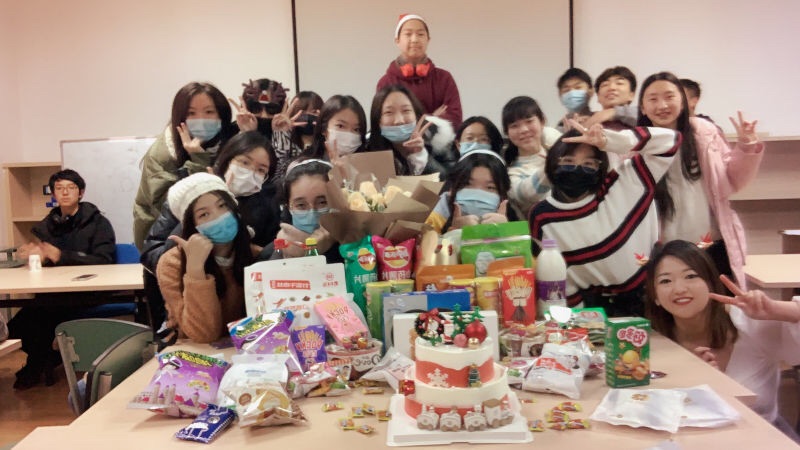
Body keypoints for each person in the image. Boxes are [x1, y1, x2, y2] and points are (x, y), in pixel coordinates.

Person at [645, 240, 800, 439]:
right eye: (666, 281)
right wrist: (693, 384)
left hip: (763, 435)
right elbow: (648, 409)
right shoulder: (653, 345)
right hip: (694, 439)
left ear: (711, 283)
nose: (679, 289)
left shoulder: (750, 322)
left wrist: (778, 309)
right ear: (655, 296)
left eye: (691, 276)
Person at [528, 122, 681, 316]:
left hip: (651, 300)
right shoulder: (541, 216)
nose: (577, 169)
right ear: (552, 164)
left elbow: (670, 142)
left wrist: (612, 141)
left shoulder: (624, 182)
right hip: (594, 310)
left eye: (589, 164)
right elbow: (561, 280)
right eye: (568, 161)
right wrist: (578, 323)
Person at [140, 131, 280, 329]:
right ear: (227, 159)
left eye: (261, 170)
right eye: (244, 162)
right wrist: (194, 259)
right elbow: (154, 251)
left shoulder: (266, 209)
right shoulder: (185, 193)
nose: (250, 172)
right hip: (188, 299)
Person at [637, 71, 764, 289]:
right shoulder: (636, 144)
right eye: (653, 99)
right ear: (642, 107)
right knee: (671, 305)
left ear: (683, 101)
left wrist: (746, 147)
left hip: (711, 244)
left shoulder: (702, 131)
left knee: (720, 304)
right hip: (663, 250)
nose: (662, 105)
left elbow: (733, 180)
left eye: (669, 97)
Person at [9, 169, 116, 389]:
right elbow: (46, 257)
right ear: (53, 194)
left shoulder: (98, 223)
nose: (65, 192)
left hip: (88, 293)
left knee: (41, 318)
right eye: (59, 188)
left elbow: (104, 260)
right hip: (55, 293)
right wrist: (35, 256)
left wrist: (60, 256)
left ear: (81, 192)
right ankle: (45, 358)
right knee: (16, 326)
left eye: (70, 188)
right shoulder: (49, 223)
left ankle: (38, 364)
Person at [156, 173, 257, 344]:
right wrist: (195, 270)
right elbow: (203, 334)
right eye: (204, 214)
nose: (219, 216)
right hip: (195, 352)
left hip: (245, 349)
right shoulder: (172, 264)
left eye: (222, 205)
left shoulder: (255, 255)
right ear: (192, 225)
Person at [133, 81, 234, 250]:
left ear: (221, 115)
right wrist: (197, 161)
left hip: (214, 235)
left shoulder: (225, 143)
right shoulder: (164, 153)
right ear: (180, 117)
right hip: (164, 242)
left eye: (209, 112)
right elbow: (170, 206)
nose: (201, 119)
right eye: (191, 113)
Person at [376, 13, 462, 128]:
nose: (415, 39)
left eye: (420, 34)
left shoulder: (444, 78)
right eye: (408, 34)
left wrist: (411, 122)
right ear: (397, 40)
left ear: (428, 39)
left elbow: (455, 120)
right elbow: (385, 123)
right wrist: (433, 118)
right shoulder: (386, 82)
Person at [262, 158, 341, 263]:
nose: (312, 214)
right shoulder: (274, 251)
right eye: (301, 205)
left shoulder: (355, 245)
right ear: (289, 208)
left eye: (322, 202)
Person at [368, 84, 455, 178]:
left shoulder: (438, 139)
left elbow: (451, 181)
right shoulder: (368, 149)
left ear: (416, 115)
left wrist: (420, 156)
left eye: (406, 110)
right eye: (389, 112)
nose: (399, 120)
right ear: (378, 120)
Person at [501, 96, 562, 219]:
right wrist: (549, 168)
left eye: (529, 121)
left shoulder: (557, 152)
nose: (523, 130)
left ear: (542, 122)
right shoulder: (510, 173)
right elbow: (528, 193)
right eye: (514, 126)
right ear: (507, 133)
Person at [425, 147, 511, 234]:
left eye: (490, 187)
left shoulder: (512, 218)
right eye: (467, 184)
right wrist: (456, 233)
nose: (477, 195)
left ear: (503, 194)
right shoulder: (430, 217)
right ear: (452, 188)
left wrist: (505, 232)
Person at [270, 91, 324, 179]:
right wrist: (281, 133)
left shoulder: (326, 144)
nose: (308, 116)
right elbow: (279, 172)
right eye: (301, 113)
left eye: (314, 112)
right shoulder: (286, 142)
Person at [302, 95, 368, 161]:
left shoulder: (366, 163)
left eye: (356, 129)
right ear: (324, 128)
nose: (349, 135)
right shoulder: (307, 165)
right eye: (340, 126)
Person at [585, 66, 639, 132]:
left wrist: (613, 112)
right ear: (598, 96)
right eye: (605, 84)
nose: (611, 87)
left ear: (631, 95)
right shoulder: (590, 118)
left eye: (619, 83)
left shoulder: (640, 117)